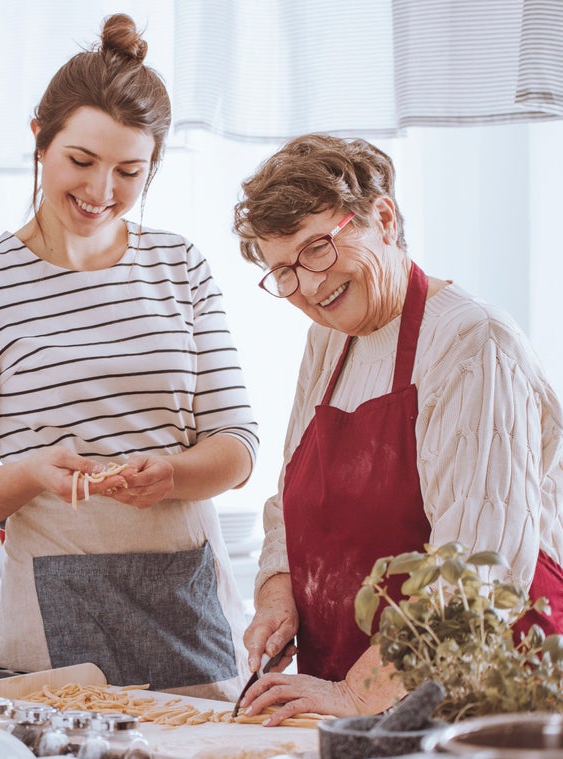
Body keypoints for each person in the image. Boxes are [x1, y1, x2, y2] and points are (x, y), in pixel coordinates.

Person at [0, 13, 259, 700]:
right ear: (40, 139)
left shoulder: (180, 268)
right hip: (45, 627)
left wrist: (175, 471)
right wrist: (34, 474)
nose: (101, 192)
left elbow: (239, 447)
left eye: (129, 171)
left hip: (190, 621)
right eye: (81, 161)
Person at [232, 133, 563, 724]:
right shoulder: (327, 339)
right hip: (355, 707)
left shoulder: (472, 342)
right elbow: (291, 505)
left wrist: (358, 696)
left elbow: (478, 569)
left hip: (480, 708)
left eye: (317, 249)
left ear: (382, 217)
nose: (307, 287)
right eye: (283, 269)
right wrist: (277, 594)